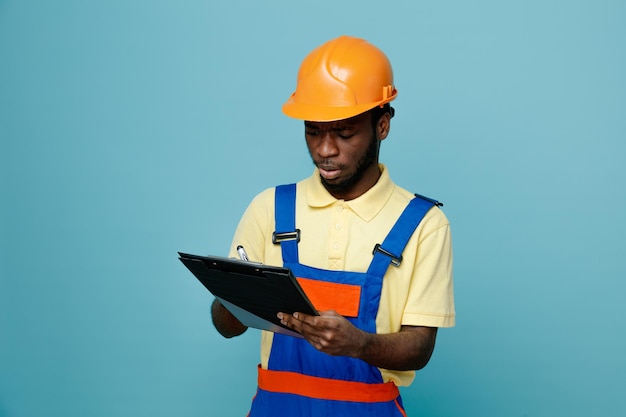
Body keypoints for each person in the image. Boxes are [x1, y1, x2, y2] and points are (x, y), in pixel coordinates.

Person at [211, 35, 455, 416]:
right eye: (313, 131)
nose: (325, 150)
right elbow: (226, 326)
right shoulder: (270, 209)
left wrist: (358, 343)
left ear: (383, 125)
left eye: (344, 133)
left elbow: (420, 347)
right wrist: (230, 297)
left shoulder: (424, 224)